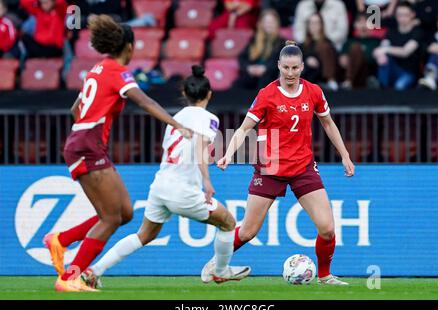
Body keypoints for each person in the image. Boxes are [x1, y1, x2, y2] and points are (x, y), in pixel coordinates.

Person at [43, 15, 192, 292]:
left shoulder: (97, 68)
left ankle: (61, 240)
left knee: (123, 213)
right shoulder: (117, 71)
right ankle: (69, 278)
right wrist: (176, 124)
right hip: (88, 146)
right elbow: (143, 100)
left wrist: (89, 129)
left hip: (84, 142)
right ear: (130, 47)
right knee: (111, 218)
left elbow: (75, 110)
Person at [80, 65, 251, 289]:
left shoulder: (176, 118)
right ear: (209, 94)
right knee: (228, 222)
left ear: (184, 94)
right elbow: (200, 143)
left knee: (144, 235)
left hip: (160, 186)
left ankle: (94, 271)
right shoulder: (209, 118)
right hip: (183, 191)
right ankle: (220, 271)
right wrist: (207, 181)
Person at [201, 40, 355, 286]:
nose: (290, 73)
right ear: (278, 67)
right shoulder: (267, 94)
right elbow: (244, 128)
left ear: (302, 67)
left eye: (295, 68)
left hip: (303, 167)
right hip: (270, 167)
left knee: (327, 228)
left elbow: (328, 123)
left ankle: (325, 276)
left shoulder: (314, 91)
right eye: (286, 68)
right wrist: (229, 153)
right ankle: (215, 264)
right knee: (249, 231)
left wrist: (345, 155)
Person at [373, 1, 424, 90]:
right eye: (400, 15)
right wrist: (380, 55)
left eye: (406, 15)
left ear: (412, 14)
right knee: (383, 58)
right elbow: (381, 48)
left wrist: (385, 50)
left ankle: (382, 87)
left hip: (410, 73)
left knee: (399, 87)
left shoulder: (417, 32)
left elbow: (405, 52)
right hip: (392, 69)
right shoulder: (392, 31)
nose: (402, 18)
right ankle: (381, 87)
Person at [235, 9, 286, 90]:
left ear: (277, 24)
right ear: (261, 24)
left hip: (270, 76)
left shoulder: (281, 43)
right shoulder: (254, 40)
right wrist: (249, 68)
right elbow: (241, 58)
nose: (269, 24)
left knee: (264, 81)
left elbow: (282, 63)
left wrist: (265, 68)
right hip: (252, 75)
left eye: (271, 22)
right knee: (238, 83)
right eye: (266, 22)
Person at [339, 13, 381, 88]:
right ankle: (346, 81)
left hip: (366, 74)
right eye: (360, 22)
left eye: (366, 22)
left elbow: (372, 60)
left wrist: (356, 56)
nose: (363, 25)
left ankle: (348, 81)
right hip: (347, 73)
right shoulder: (349, 41)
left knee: (356, 48)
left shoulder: (376, 42)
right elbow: (342, 62)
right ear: (355, 25)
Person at [300, 13, 339, 90]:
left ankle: (329, 80)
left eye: (316, 23)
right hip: (309, 77)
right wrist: (306, 60)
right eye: (311, 23)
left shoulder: (328, 43)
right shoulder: (303, 45)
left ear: (321, 25)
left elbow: (335, 59)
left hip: (323, 78)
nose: (314, 26)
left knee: (325, 46)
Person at [418, 10, 438, 90]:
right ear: (437, 24)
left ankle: (430, 78)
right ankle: (430, 78)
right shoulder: (432, 37)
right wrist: (428, 49)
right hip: (437, 77)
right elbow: (421, 53)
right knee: (436, 55)